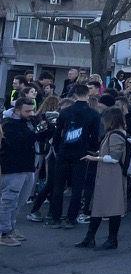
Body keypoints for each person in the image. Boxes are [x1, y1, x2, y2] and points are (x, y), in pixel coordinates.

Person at [76, 108, 131, 249]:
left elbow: (114, 158)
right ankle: (95, 238)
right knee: (105, 206)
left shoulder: (115, 135)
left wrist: (95, 157)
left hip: (111, 174)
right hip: (110, 174)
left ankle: (104, 239)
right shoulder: (117, 134)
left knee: (109, 207)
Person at [47, 83, 101, 228]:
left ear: (75, 95)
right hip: (81, 153)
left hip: (64, 151)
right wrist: (92, 149)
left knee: (58, 186)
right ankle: (71, 218)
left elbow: (58, 134)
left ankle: (55, 217)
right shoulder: (94, 114)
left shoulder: (65, 112)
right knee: (77, 188)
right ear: (87, 95)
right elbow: (95, 136)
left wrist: (58, 148)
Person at [0, 99, 38, 246]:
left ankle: (10, 229)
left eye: (32, 110)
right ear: (17, 110)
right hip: (13, 169)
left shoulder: (28, 123)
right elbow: (20, 142)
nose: (31, 114)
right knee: (8, 201)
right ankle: (4, 232)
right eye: (27, 111)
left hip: (27, 167)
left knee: (19, 201)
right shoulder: (9, 125)